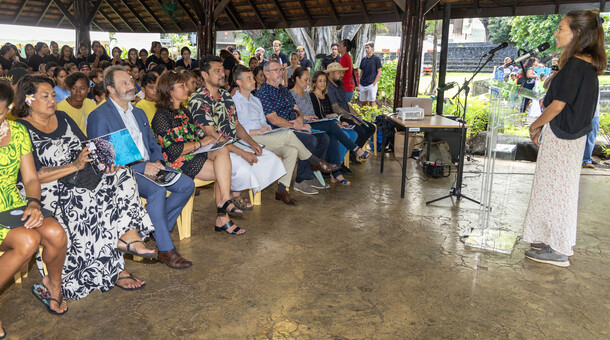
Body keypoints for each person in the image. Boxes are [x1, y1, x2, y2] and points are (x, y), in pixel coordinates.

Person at [14, 75, 156, 297]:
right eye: (45, 96)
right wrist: (74, 165)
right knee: (89, 199)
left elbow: (86, 148)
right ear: (28, 100)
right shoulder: (20, 130)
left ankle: (128, 236)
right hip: (46, 188)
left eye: (53, 95)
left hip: (78, 175)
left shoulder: (63, 118)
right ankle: (106, 271)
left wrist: (106, 160)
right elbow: (32, 176)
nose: (53, 100)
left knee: (123, 175)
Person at [87, 66, 195, 269]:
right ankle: (165, 249)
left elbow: (153, 144)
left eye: (130, 81)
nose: (131, 86)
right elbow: (104, 160)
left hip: (150, 166)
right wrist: (143, 167)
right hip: (121, 173)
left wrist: (157, 163)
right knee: (157, 191)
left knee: (187, 184)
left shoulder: (138, 113)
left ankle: (154, 227)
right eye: (124, 83)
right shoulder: (100, 116)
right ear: (110, 89)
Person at [523, 10, 606, 267]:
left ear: (578, 33)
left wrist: (535, 126)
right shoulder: (583, 64)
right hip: (570, 136)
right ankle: (548, 238)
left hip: (563, 137)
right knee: (553, 190)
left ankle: (558, 249)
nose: (556, 33)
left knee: (559, 193)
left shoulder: (577, 66)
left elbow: (557, 105)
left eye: (561, 29)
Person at [0, 79, 69, 335]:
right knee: (28, 241)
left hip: (12, 203)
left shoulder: (17, 132)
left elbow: (30, 178)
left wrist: (34, 202)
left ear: (7, 109)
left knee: (55, 233)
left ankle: (53, 286)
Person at [151, 71, 245, 234]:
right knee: (222, 170)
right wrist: (202, 142)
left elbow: (196, 137)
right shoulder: (161, 117)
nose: (187, 88)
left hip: (194, 154)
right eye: (181, 85)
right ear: (169, 91)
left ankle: (225, 202)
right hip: (177, 162)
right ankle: (223, 214)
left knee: (222, 151)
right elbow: (173, 151)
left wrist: (207, 140)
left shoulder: (184, 112)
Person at [188, 55, 286, 207]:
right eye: (217, 71)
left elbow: (236, 123)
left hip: (232, 143)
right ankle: (229, 200)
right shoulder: (198, 99)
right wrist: (242, 152)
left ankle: (233, 196)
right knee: (243, 165)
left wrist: (251, 142)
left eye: (222, 70)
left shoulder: (226, 95)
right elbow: (212, 135)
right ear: (205, 75)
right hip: (211, 148)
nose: (222, 74)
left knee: (269, 157)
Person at [233, 65, 338, 204]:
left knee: (292, 150)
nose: (253, 80)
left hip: (264, 136)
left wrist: (266, 128)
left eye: (253, 77)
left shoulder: (255, 100)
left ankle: (282, 190)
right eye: (249, 78)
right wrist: (258, 131)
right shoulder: (233, 101)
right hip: (247, 139)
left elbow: (264, 122)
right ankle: (315, 162)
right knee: (289, 135)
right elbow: (234, 129)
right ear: (239, 83)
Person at [256, 59, 339, 195]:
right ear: (267, 74)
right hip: (278, 131)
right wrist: (294, 125)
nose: (280, 73)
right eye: (276, 70)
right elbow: (273, 118)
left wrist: (300, 121)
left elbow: (296, 108)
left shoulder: (283, 89)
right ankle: (301, 180)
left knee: (323, 138)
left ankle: (311, 175)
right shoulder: (264, 92)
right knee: (310, 140)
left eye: (281, 70)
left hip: (294, 126)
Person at [289, 67, 370, 184]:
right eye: (305, 80)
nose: (307, 83)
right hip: (304, 125)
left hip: (314, 122)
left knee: (332, 136)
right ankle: (356, 149)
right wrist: (305, 117)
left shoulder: (306, 94)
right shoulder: (290, 94)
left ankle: (337, 173)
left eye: (308, 80)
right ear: (297, 79)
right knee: (332, 126)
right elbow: (294, 114)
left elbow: (316, 114)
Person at [309, 70, 359, 174]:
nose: (323, 83)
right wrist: (335, 124)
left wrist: (339, 122)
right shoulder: (312, 96)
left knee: (353, 134)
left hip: (331, 123)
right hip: (321, 125)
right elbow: (319, 116)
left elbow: (330, 113)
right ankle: (338, 166)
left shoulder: (326, 96)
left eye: (324, 81)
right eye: (320, 81)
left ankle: (338, 163)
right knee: (343, 135)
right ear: (314, 82)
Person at [326, 62, 376, 156]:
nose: (342, 75)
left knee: (370, 128)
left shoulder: (340, 86)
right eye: (339, 72)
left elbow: (347, 104)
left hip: (348, 116)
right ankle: (351, 154)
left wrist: (357, 115)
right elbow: (336, 108)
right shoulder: (329, 88)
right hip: (339, 118)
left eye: (342, 72)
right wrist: (352, 118)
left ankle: (353, 154)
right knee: (360, 131)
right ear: (331, 73)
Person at [358, 41, 382, 107]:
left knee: (372, 102)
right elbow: (361, 72)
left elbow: (379, 71)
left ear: (372, 48)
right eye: (365, 48)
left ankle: (374, 116)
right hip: (363, 84)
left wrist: (374, 83)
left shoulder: (376, 59)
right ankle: (363, 117)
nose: (366, 49)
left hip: (371, 84)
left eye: (368, 48)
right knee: (363, 102)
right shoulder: (363, 59)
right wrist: (359, 83)